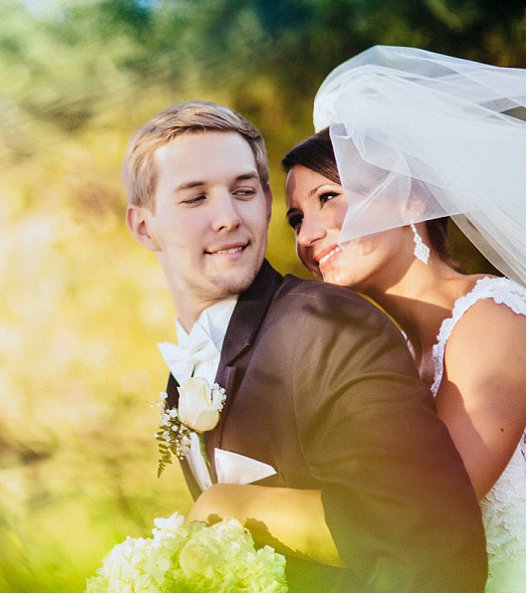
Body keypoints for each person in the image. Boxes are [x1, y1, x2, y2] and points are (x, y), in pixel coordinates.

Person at [122, 99, 487, 591]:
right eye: (195, 198)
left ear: (265, 202)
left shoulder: (326, 325)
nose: (228, 216)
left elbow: (433, 543)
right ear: (144, 227)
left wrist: (230, 507)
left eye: (243, 191)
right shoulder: (182, 375)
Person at [281, 46, 525, 592]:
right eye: (298, 217)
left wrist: (244, 507)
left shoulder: (493, 319)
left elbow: (427, 512)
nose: (307, 235)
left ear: (411, 201)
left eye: (328, 198)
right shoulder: (390, 355)